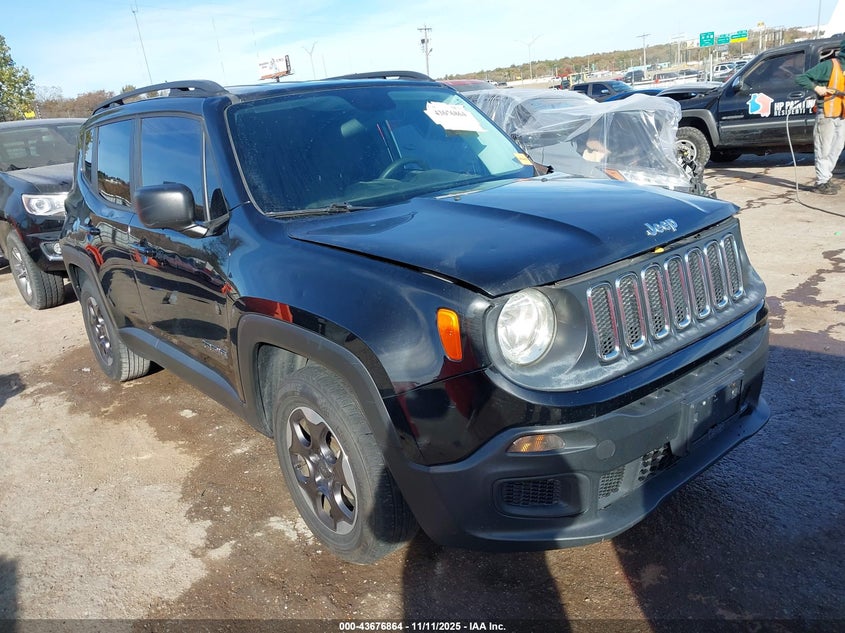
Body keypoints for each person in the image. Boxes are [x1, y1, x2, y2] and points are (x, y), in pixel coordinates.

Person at [795, 39, 845, 195]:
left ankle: (826, 177)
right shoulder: (830, 65)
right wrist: (817, 88)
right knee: (823, 148)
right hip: (826, 114)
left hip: (841, 114)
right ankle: (821, 182)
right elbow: (801, 78)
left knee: (837, 147)